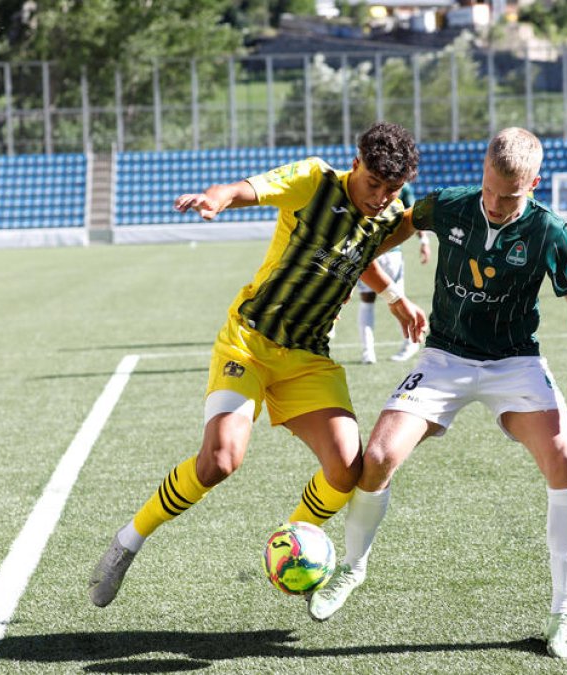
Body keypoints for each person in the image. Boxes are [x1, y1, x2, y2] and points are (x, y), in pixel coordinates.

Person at [87, 121, 427, 608]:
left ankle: (295, 541)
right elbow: (244, 189)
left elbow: (360, 249)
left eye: (391, 190)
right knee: (220, 461)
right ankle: (128, 541)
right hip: (249, 342)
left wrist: (395, 297)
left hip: (309, 358)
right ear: (356, 163)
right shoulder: (314, 180)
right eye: (373, 184)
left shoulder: (388, 215)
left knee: (346, 470)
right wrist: (216, 199)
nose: (379, 197)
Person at [306, 128, 567, 661]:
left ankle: (564, 612)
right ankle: (352, 567)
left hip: (515, 362)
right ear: (482, 173)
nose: (493, 203)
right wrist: (368, 272)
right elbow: (387, 230)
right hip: (443, 358)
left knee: (564, 464)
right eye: (488, 189)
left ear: (533, 183)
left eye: (508, 195)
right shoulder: (449, 206)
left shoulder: (549, 232)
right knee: (376, 458)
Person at [355, 183, 432, 364]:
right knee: (396, 299)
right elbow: (415, 214)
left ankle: (369, 352)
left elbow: (413, 214)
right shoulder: (400, 185)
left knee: (372, 300)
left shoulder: (364, 181)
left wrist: (424, 241)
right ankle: (408, 344)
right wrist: (424, 241)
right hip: (388, 252)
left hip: (374, 251)